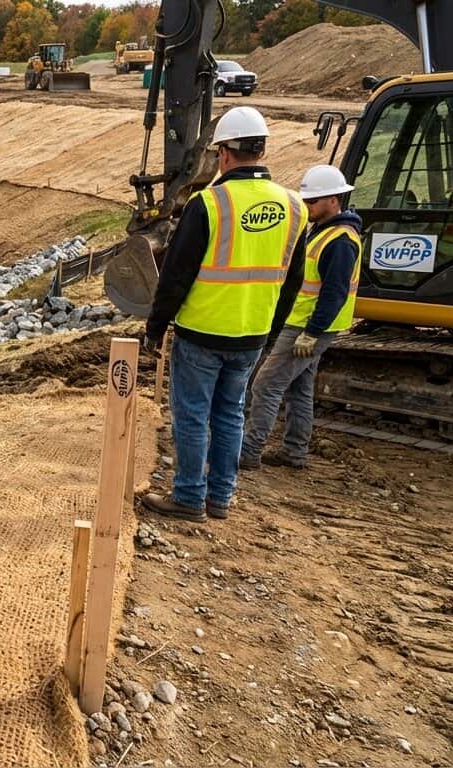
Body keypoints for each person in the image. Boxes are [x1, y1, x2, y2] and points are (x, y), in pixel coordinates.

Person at [140, 106, 308, 523]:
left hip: (202, 330)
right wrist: (270, 331)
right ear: (262, 150)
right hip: (252, 333)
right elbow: (293, 280)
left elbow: (176, 276)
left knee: (193, 415)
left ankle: (189, 497)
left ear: (225, 155)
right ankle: (221, 497)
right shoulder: (294, 207)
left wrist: (156, 327)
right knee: (231, 412)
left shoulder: (209, 204)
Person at [240, 165, 362, 469]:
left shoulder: (340, 241)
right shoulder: (326, 232)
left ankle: (248, 452)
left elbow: (334, 293)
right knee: (299, 387)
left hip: (308, 326)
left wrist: (312, 331)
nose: (306, 207)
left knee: (265, 385)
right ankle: (294, 452)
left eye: (312, 202)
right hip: (306, 322)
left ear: (334, 200)